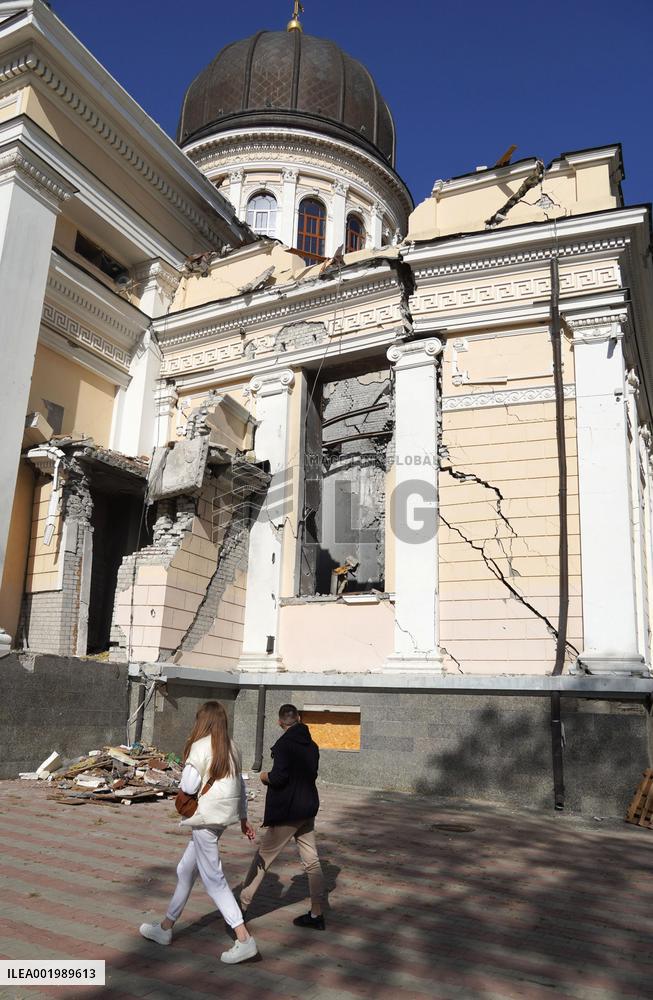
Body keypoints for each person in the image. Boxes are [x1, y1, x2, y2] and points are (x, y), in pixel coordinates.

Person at [139, 700, 259, 964]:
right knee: (185, 870)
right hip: (221, 818)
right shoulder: (233, 747)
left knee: (214, 880)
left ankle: (244, 939)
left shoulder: (200, 747)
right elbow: (239, 784)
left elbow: (189, 786)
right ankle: (166, 928)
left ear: (202, 721)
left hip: (205, 818)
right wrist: (243, 818)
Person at [239, 703, 325, 929]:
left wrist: (264, 776)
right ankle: (317, 914)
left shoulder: (284, 745)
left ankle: (240, 908)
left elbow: (279, 778)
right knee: (312, 861)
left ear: (280, 722)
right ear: (299, 718)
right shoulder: (312, 745)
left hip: (289, 810)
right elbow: (312, 773)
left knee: (263, 858)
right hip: (307, 807)